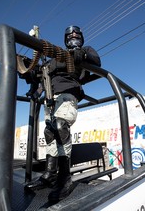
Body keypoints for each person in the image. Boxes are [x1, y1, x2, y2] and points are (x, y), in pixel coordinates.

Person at [25, 25, 101, 201]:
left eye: (77, 35)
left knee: (61, 126)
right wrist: (31, 75)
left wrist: (81, 54)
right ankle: (51, 173)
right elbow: (42, 77)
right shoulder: (54, 58)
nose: (74, 37)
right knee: (50, 131)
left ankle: (65, 177)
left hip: (68, 94)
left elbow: (96, 60)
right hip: (51, 97)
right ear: (66, 40)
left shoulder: (83, 52)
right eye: (70, 36)